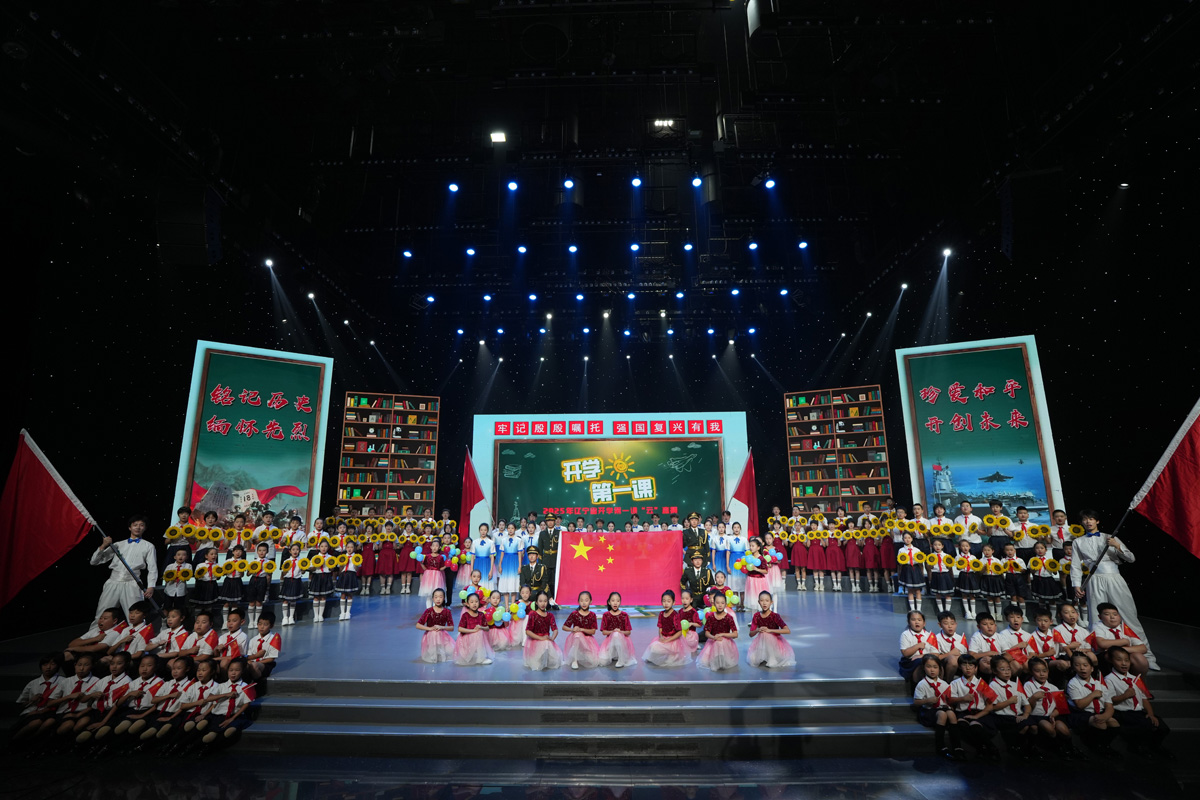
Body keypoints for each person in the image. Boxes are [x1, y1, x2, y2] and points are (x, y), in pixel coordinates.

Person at [1070, 510, 1157, 669]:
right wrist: (1076, 585)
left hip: (1114, 578)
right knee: (1096, 617)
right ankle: (1098, 655)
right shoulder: (1078, 542)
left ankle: (1147, 655)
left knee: (1128, 615)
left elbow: (1131, 558)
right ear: (1081, 523)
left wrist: (1117, 546)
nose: (1088, 522)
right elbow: (1075, 565)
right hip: (1094, 580)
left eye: (1091, 518)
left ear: (1097, 521)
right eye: (1085, 519)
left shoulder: (1110, 537)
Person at [1104, 646, 1172, 758]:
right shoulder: (1109, 679)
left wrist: (1150, 714)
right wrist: (1125, 696)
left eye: (1126, 660)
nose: (1124, 663)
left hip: (1138, 711)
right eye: (1119, 660)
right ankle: (1135, 746)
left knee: (1162, 727)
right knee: (1144, 725)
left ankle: (1155, 746)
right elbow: (1109, 701)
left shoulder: (1135, 679)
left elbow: (1144, 698)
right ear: (1111, 661)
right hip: (1123, 712)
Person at [90, 515, 158, 621]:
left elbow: (152, 568)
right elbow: (94, 562)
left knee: (136, 615)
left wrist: (151, 586)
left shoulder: (149, 546)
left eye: (141, 525)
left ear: (145, 528)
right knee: (102, 613)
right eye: (135, 525)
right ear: (130, 527)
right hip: (113, 582)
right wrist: (103, 546)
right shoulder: (118, 545)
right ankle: (96, 631)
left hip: (133, 583)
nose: (138, 527)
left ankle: (136, 632)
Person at [1022, 656, 1080, 759]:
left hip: (1051, 715)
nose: (1042, 674)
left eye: (1044, 671)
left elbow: (1060, 707)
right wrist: (1033, 698)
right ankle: (1057, 748)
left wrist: (1054, 714)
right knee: (1049, 728)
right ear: (1031, 672)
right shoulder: (1028, 686)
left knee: (1064, 730)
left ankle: (1070, 747)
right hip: (1036, 716)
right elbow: (1027, 708)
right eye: (1037, 671)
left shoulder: (1053, 687)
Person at [1065, 650, 1120, 756]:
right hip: (1080, 713)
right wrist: (1093, 694)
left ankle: (1105, 745)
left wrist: (1105, 715)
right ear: (1073, 668)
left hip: (1098, 712)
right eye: (1077, 665)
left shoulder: (1099, 684)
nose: (1082, 668)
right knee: (1100, 723)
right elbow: (1080, 705)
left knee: (1113, 723)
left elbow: (1109, 706)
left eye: (1085, 665)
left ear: (1092, 668)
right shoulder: (1073, 684)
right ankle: (1095, 746)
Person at [912, 654, 965, 760]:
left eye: (935, 667)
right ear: (924, 668)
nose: (932, 670)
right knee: (942, 714)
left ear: (940, 669)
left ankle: (957, 747)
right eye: (929, 667)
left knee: (951, 714)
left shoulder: (944, 684)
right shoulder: (922, 684)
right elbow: (916, 702)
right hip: (928, 711)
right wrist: (928, 700)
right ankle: (941, 746)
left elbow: (949, 699)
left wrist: (949, 704)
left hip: (941, 708)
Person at [949, 654, 1001, 760]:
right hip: (963, 712)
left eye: (971, 665)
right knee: (962, 724)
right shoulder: (955, 683)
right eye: (964, 665)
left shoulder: (981, 683)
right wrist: (963, 698)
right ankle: (981, 748)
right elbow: (950, 699)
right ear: (960, 667)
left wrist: (977, 716)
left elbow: (990, 705)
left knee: (975, 726)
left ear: (976, 668)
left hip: (980, 713)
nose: (968, 668)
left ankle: (991, 747)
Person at [986, 654, 1035, 758]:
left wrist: (1025, 715)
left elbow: (1027, 704)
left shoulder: (1015, 684)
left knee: (1034, 726)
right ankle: (1015, 747)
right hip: (1002, 716)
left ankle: (1030, 748)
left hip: (1017, 715)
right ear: (994, 671)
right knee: (1025, 726)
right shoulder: (992, 686)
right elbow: (993, 707)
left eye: (1008, 669)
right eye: (1002, 669)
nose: (1007, 672)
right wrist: (1009, 701)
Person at [11, 653, 63, 742]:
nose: (48, 667)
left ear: (57, 666)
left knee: (47, 722)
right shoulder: (33, 683)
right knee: (35, 722)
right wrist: (31, 701)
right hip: (32, 712)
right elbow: (20, 704)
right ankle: (14, 741)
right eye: (45, 664)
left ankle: (30, 740)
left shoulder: (63, 681)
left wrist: (41, 711)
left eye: (52, 664)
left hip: (52, 712)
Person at [1092, 602, 1151, 676]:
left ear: (1119, 616)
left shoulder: (1124, 628)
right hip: (1103, 658)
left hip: (1123, 655)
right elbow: (1101, 643)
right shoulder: (1098, 626)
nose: (1112, 617)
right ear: (1100, 617)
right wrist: (1124, 641)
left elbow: (1143, 648)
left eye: (1115, 614)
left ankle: (1137, 681)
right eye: (1107, 614)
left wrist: (1122, 649)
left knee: (1139, 658)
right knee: (1111, 655)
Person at [747, 591, 795, 669]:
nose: (764, 603)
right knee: (752, 659)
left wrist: (770, 630)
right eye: (762, 601)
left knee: (765, 634)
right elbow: (751, 634)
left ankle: (772, 657)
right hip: (762, 644)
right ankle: (765, 655)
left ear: (771, 602)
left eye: (767, 601)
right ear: (759, 602)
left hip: (775, 645)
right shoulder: (756, 616)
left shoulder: (775, 616)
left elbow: (787, 630)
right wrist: (758, 630)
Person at [643, 590, 690, 667]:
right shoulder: (661, 614)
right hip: (664, 637)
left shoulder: (675, 615)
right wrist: (661, 637)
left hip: (673, 640)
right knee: (653, 647)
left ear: (673, 602)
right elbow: (660, 627)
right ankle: (665, 654)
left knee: (669, 661)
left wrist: (668, 640)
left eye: (668, 601)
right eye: (664, 601)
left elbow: (679, 632)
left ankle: (671, 655)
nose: (666, 603)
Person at [697, 593, 738, 671]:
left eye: (722, 603)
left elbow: (735, 634)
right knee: (706, 660)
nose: (720, 605)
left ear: (725, 604)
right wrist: (713, 637)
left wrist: (722, 634)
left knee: (720, 643)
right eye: (717, 603)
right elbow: (707, 633)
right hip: (713, 640)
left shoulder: (729, 617)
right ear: (714, 604)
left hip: (725, 642)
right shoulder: (711, 617)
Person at [523, 591, 562, 670]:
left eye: (545, 601)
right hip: (535, 640)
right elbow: (528, 631)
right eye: (540, 601)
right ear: (536, 602)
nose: (543, 603)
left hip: (546, 640)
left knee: (547, 646)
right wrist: (541, 638)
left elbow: (555, 629)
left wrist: (552, 638)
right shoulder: (533, 615)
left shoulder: (550, 615)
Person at [1053, 602, 1097, 669]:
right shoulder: (1057, 630)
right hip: (1065, 656)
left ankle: (1094, 673)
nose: (1071, 615)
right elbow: (1060, 649)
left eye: (1073, 612)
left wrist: (1081, 650)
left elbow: (1088, 649)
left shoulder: (1084, 631)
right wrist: (1070, 647)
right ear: (1060, 615)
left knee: (1092, 656)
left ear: (1077, 614)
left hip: (1081, 655)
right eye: (1066, 613)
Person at [454, 592, 495, 666]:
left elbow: (487, 628)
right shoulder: (465, 615)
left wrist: (481, 627)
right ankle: (470, 655)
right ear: (467, 604)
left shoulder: (481, 614)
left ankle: (481, 658)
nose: (474, 604)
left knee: (480, 632)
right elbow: (460, 629)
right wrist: (473, 631)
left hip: (477, 637)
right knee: (478, 632)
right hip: (466, 639)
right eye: (472, 602)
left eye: (476, 601)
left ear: (479, 603)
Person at [562, 591, 600, 670]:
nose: (584, 603)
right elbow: (564, 627)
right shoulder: (574, 614)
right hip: (576, 639)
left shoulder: (592, 615)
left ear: (590, 601)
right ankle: (574, 660)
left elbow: (593, 631)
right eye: (581, 600)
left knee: (592, 662)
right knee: (578, 634)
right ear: (578, 602)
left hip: (588, 641)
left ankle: (584, 654)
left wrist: (581, 629)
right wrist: (572, 629)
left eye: (586, 600)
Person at [598, 592, 637, 668]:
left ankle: (621, 660)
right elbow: (604, 632)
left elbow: (628, 632)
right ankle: (614, 655)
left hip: (622, 643)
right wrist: (613, 632)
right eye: (613, 600)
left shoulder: (624, 615)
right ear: (609, 602)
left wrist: (620, 632)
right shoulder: (606, 615)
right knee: (602, 661)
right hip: (610, 643)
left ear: (620, 602)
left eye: (617, 601)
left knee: (616, 635)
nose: (615, 603)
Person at [416, 588, 455, 663]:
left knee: (451, 651)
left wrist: (441, 627)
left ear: (444, 598)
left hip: (442, 635)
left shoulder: (447, 612)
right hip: (431, 635)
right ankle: (433, 654)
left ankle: (439, 652)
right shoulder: (428, 611)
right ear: (433, 599)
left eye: (440, 597)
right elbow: (418, 625)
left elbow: (451, 627)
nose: (438, 599)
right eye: (436, 597)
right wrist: (430, 628)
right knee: (434, 634)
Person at [929, 611, 968, 680]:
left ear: (956, 624)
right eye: (946, 623)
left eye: (952, 623)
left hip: (960, 664)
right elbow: (935, 657)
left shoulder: (960, 638)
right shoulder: (936, 639)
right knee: (952, 659)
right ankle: (948, 682)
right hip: (944, 664)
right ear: (940, 625)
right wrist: (951, 653)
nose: (950, 626)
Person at [899, 610, 934, 682]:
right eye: (913, 620)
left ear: (924, 623)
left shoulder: (929, 635)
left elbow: (935, 653)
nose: (917, 622)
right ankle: (917, 686)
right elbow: (905, 653)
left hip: (926, 658)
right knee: (920, 663)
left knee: (936, 663)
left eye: (919, 620)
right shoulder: (905, 635)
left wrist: (922, 656)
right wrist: (917, 646)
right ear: (908, 622)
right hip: (910, 661)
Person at [245, 612, 280, 681]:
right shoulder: (253, 640)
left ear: (271, 626)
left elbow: (271, 658)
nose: (262, 627)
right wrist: (249, 661)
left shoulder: (274, 639)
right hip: (253, 662)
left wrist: (257, 663)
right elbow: (250, 656)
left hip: (266, 664)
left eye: (265, 624)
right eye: (260, 624)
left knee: (254, 666)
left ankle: (258, 684)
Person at [925, 538, 956, 614]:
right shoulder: (930, 556)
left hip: (945, 575)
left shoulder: (947, 556)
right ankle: (941, 611)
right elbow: (928, 568)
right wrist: (930, 565)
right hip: (936, 575)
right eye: (935, 545)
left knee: (948, 594)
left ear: (942, 546)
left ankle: (947, 611)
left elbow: (950, 568)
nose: (937, 547)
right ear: (932, 546)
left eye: (939, 545)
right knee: (937, 594)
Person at [967, 612, 1002, 679]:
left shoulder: (1000, 636)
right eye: (985, 624)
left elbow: (1007, 653)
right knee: (986, 664)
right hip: (983, 660)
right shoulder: (976, 637)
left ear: (995, 626)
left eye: (991, 624)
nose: (989, 626)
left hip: (998, 659)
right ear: (978, 627)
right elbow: (972, 655)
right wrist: (988, 653)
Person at [896, 531, 924, 612]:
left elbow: (920, 562)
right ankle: (912, 609)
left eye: (909, 538)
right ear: (903, 539)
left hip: (915, 569)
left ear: (912, 539)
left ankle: (918, 609)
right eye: (905, 538)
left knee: (918, 590)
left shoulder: (916, 550)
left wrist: (921, 572)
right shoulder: (901, 550)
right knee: (910, 590)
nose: (907, 539)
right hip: (907, 569)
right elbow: (899, 563)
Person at [537, 516, 562, 605]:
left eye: (552, 521)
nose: (550, 522)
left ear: (555, 522)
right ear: (546, 522)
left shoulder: (559, 533)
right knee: (546, 581)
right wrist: (540, 563)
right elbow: (540, 549)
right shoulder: (542, 533)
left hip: (556, 561)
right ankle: (547, 600)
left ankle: (555, 601)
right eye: (548, 521)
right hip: (546, 561)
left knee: (555, 581)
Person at [497, 523, 523, 605]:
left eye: (512, 528)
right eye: (509, 528)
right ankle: (506, 606)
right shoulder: (503, 540)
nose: (510, 530)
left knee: (514, 583)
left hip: (514, 562)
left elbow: (519, 554)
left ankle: (512, 605)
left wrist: (520, 566)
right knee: (505, 584)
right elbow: (502, 553)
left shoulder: (518, 540)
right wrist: (500, 565)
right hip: (505, 562)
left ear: (515, 529)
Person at [416, 538, 447, 608]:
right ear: (431, 547)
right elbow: (425, 568)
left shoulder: (441, 557)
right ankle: (428, 609)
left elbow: (440, 568)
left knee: (436, 593)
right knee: (428, 594)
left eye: (437, 546)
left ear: (439, 547)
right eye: (433, 545)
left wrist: (446, 566)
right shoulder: (427, 556)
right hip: (428, 576)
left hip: (437, 576)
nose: (435, 547)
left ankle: (435, 608)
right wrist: (421, 563)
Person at [978, 543, 1006, 619]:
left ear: (992, 551)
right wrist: (984, 569)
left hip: (996, 579)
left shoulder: (997, 560)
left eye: (988, 550)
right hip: (986, 579)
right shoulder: (981, 561)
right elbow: (979, 573)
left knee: (997, 597)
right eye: (985, 550)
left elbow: (1001, 572)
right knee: (989, 597)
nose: (987, 552)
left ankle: (999, 614)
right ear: (982, 551)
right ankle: (992, 613)